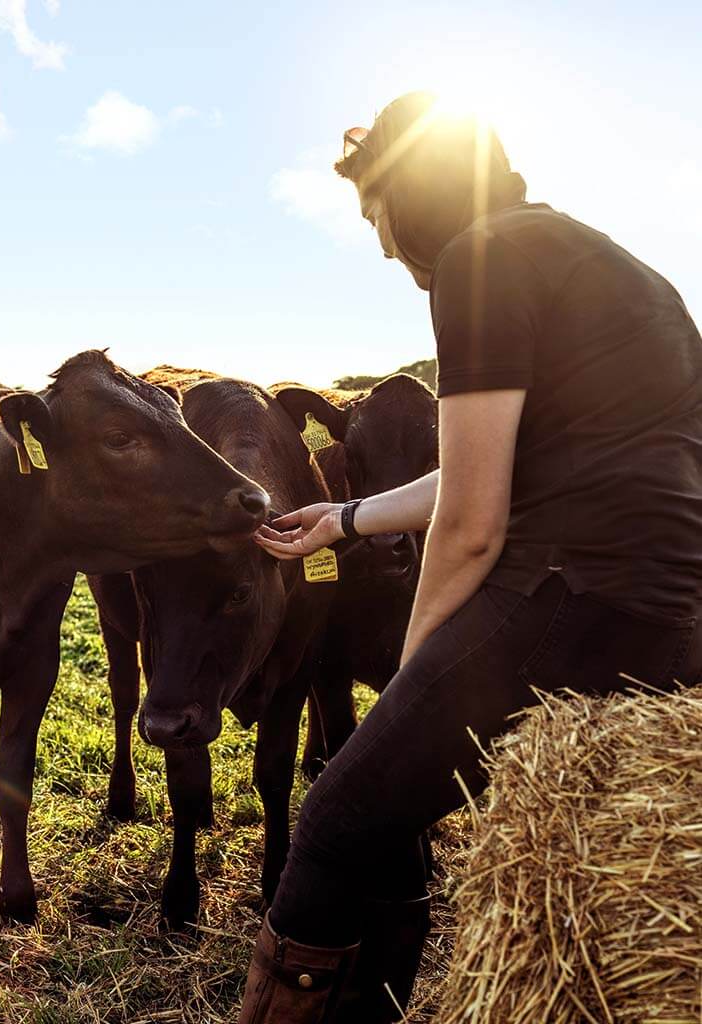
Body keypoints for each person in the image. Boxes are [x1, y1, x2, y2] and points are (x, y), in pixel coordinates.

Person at [237, 90, 702, 1023]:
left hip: (565, 595)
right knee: (392, 809)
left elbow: (476, 523)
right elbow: (478, 468)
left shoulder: (478, 259)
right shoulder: (625, 271)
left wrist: (414, 675)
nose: (378, 243)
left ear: (416, 194)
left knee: (334, 818)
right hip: (671, 614)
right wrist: (348, 516)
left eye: (375, 213)